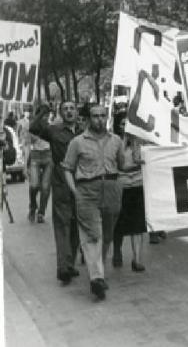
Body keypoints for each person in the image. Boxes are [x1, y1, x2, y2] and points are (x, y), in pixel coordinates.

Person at [62, 105, 139, 300]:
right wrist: (75, 191)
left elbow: (123, 166)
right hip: (87, 190)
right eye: (95, 116)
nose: (99, 119)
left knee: (107, 234)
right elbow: (67, 168)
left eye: (102, 116)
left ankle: (98, 270)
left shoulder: (116, 141)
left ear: (107, 118)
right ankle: (96, 278)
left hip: (112, 188)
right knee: (93, 235)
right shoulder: (77, 142)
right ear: (88, 119)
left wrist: (141, 161)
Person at [29, 101, 82, 285]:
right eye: (65, 109)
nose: (69, 111)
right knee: (62, 224)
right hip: (61, 182)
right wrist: (44, 110)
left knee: (77, 224)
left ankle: (70, 263)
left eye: (72, 108)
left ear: (77, 112)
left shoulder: (84, 131)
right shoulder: (54, 130)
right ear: (60, 113)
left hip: (82, 183)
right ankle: (62, 268)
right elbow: (34, 126)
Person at [112, 112, 146, 272]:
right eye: (122, 124)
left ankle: (136, 258)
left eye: (129, 124)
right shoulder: (114, 141)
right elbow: (120, 164)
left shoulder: (140, 142)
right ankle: (117, 250)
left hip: (138, 185)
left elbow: (144, 160)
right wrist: (125, 140)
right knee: (119, 223)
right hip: (122, 186)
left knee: (138, 224)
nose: (126, 127)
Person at [27, 105, 54, 223]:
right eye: (44, 114)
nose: (46, 117)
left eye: (47, 114)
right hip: (35, 157)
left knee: (45, 187)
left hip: (48, 156)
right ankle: (33, 206)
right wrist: (25, 165)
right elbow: (27, 146)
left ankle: (41, 212)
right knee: (34, 185)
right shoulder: (32, 127)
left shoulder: (51, 126)